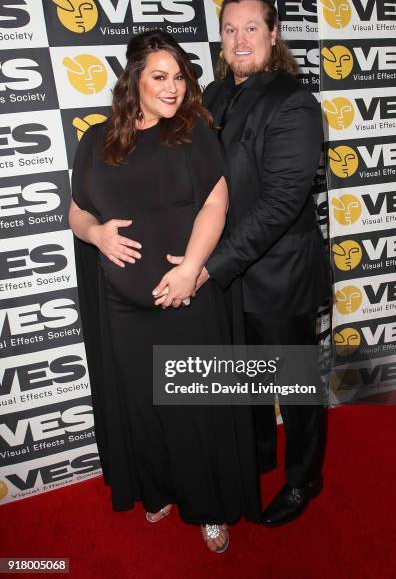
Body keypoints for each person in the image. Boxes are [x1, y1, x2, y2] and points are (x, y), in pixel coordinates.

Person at [69, 29, 261, 553]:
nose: (173, 87)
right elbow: (77, 210)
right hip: (122, 306)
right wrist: (96, 233)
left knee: (196, 407)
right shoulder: (97, 138)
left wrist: (192, 267)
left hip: (186, 297)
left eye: (179, 77)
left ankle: (211, 506)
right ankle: (158, 489)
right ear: (134, 81)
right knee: (144, 407)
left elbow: (216, 205)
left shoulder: (194, 132)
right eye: (160, 77)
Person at [163, 0, 331, 527]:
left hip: (278, 274)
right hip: (231, 272)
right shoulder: (212, 91)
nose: (239, 39)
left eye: (251, 28)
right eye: (230, 29)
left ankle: (305, 478)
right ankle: (258, 454)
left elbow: (282, 203)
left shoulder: (293, 101)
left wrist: (208, 265)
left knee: (296, 386)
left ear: (273, 34)